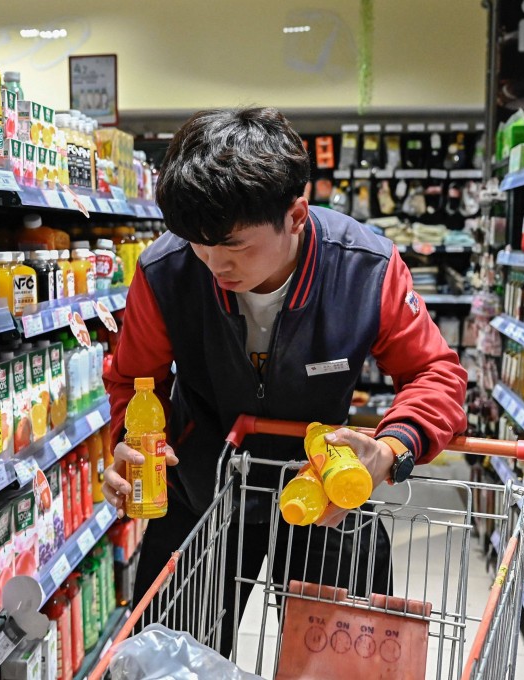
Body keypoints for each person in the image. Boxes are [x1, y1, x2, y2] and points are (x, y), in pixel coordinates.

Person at [101, 107, 468, 654]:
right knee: (167, 660)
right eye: (196, 243)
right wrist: (127, 448)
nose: (211, 262)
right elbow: (133, 380)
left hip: (326, 491)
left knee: (343, 664)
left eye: (232, 244)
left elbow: (434, 372)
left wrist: (391, 448)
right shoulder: (167, 270)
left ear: (296, 215)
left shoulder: (365, 268)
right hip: (202, 494)